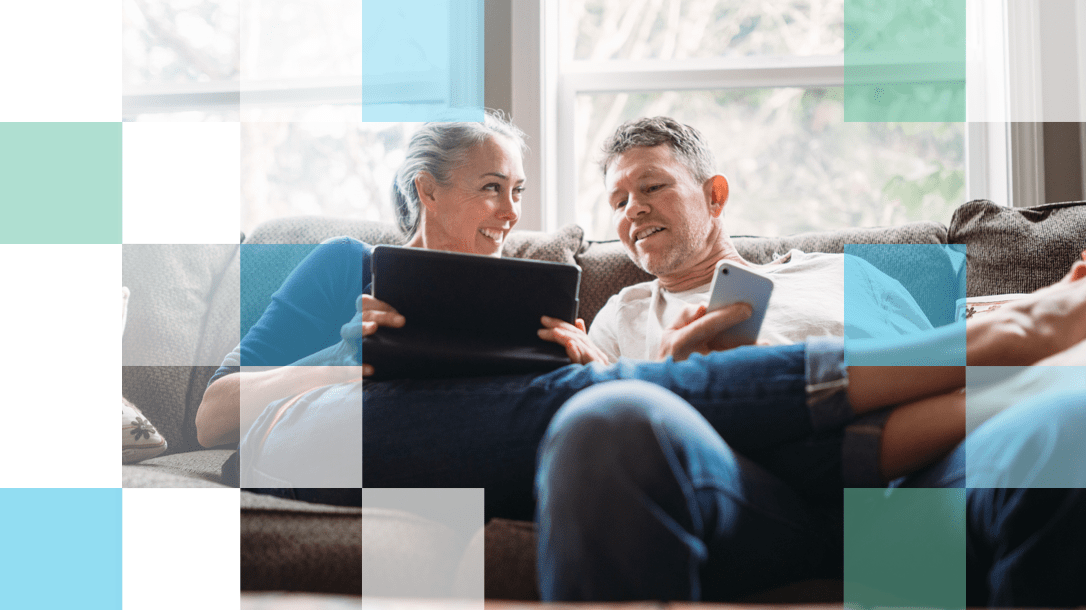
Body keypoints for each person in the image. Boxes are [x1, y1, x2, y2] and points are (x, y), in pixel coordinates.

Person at [533, 116, 1086, 605]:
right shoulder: (620, 315)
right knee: (608, 417)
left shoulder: (845, 274)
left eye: (651, 186)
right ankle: (1023, 347)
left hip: (907, 492)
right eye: (618, 201)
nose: (634, 209)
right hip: (758, 500)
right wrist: (680, 380)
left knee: (1069, 415)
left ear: (715, 196)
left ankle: (1032, 363)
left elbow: (940, 387)